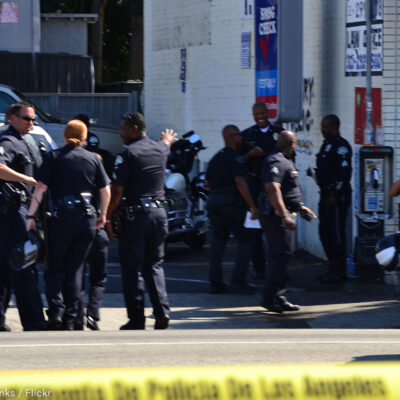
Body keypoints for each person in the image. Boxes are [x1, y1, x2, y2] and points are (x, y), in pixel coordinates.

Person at [26, 119, 111, 330]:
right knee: (75, 269)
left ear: (64, 136)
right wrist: (103, 215)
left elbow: (40, 188)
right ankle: (72, 318)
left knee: (54, 267)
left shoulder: (54, 157)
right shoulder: (93, 158)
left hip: (61, 218)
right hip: (87, 218)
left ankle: (56, 312)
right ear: (84, 137)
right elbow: (105, 190)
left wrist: (30, 216)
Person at [105, 112, 176, 330]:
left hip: (136, 216)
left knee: (133, 268)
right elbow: (166, 145)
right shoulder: (160, 149)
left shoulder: (127, 154)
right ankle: (162, 312)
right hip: (159, 214)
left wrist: (107, 217)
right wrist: (168, 140)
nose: (120, 133)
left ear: (134, 129)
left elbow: (116, 191)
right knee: (155, 265)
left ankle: (136, 318)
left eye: (123, 128)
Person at [0, 101, 47, 331]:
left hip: (13, 211)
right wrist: (27, 180)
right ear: (13, 118)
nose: (32, 123)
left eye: (33, 119)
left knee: (4, 268)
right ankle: (35, 322)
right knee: (24, 264)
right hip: (12, 212)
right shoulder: (8, 140)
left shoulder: (21, 140)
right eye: (27, 118)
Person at [259, 130, 316, 313]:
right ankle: (270, 298)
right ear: (292, 144)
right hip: (276, 216)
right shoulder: (275, 161)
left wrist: (300, 207)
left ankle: (279, 297)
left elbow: (287, 191)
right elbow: (273, 189)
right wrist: (284, 215)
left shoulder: (285, 161)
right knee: (280, 256)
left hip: (285, 213)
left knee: (283, 256)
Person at [205, 125, 258, 294]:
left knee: (218, 241)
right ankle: (238, 281)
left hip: (214, 202)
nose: (241, 139)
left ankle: (215, 282)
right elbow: (240, 182)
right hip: (232, 204)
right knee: (246, 239)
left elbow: (206, 182)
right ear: (233, 137)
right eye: (239, 136)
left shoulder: (216, 157)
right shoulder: (236, 158)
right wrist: (252, 205)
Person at [241, 102, 284, 280]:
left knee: (276, 228)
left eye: (262, 113)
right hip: (254, 185)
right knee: (255, 231)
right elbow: (239, 161)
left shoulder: (279, 133)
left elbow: (288, 157)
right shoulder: (247, 135)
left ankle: (279, 268)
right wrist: (250, 154)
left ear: (268, 113)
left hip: (274, 186)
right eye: (256, 113)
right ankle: (259, 269)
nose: (260, 116)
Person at [74, 114, 110, 331]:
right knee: (98, 276)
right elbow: (108, 192)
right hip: (97, 225)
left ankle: (77, 317)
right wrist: (105, 217)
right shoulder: (99, 167)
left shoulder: (74, 164)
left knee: (77, 271)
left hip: (78, 223)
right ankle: (93, 315)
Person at [307, 114, 352, 283]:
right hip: (325, 194)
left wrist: (336, 195)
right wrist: (315, 175)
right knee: (324, 233)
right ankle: (332, 266)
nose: (322, 129)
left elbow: (344, 174)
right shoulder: (326, 145)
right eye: (322, 126)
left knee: (336, 234)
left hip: (336, 197)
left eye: (325, 126)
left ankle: (339, 271)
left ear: (335, 127)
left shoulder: (341, 146)